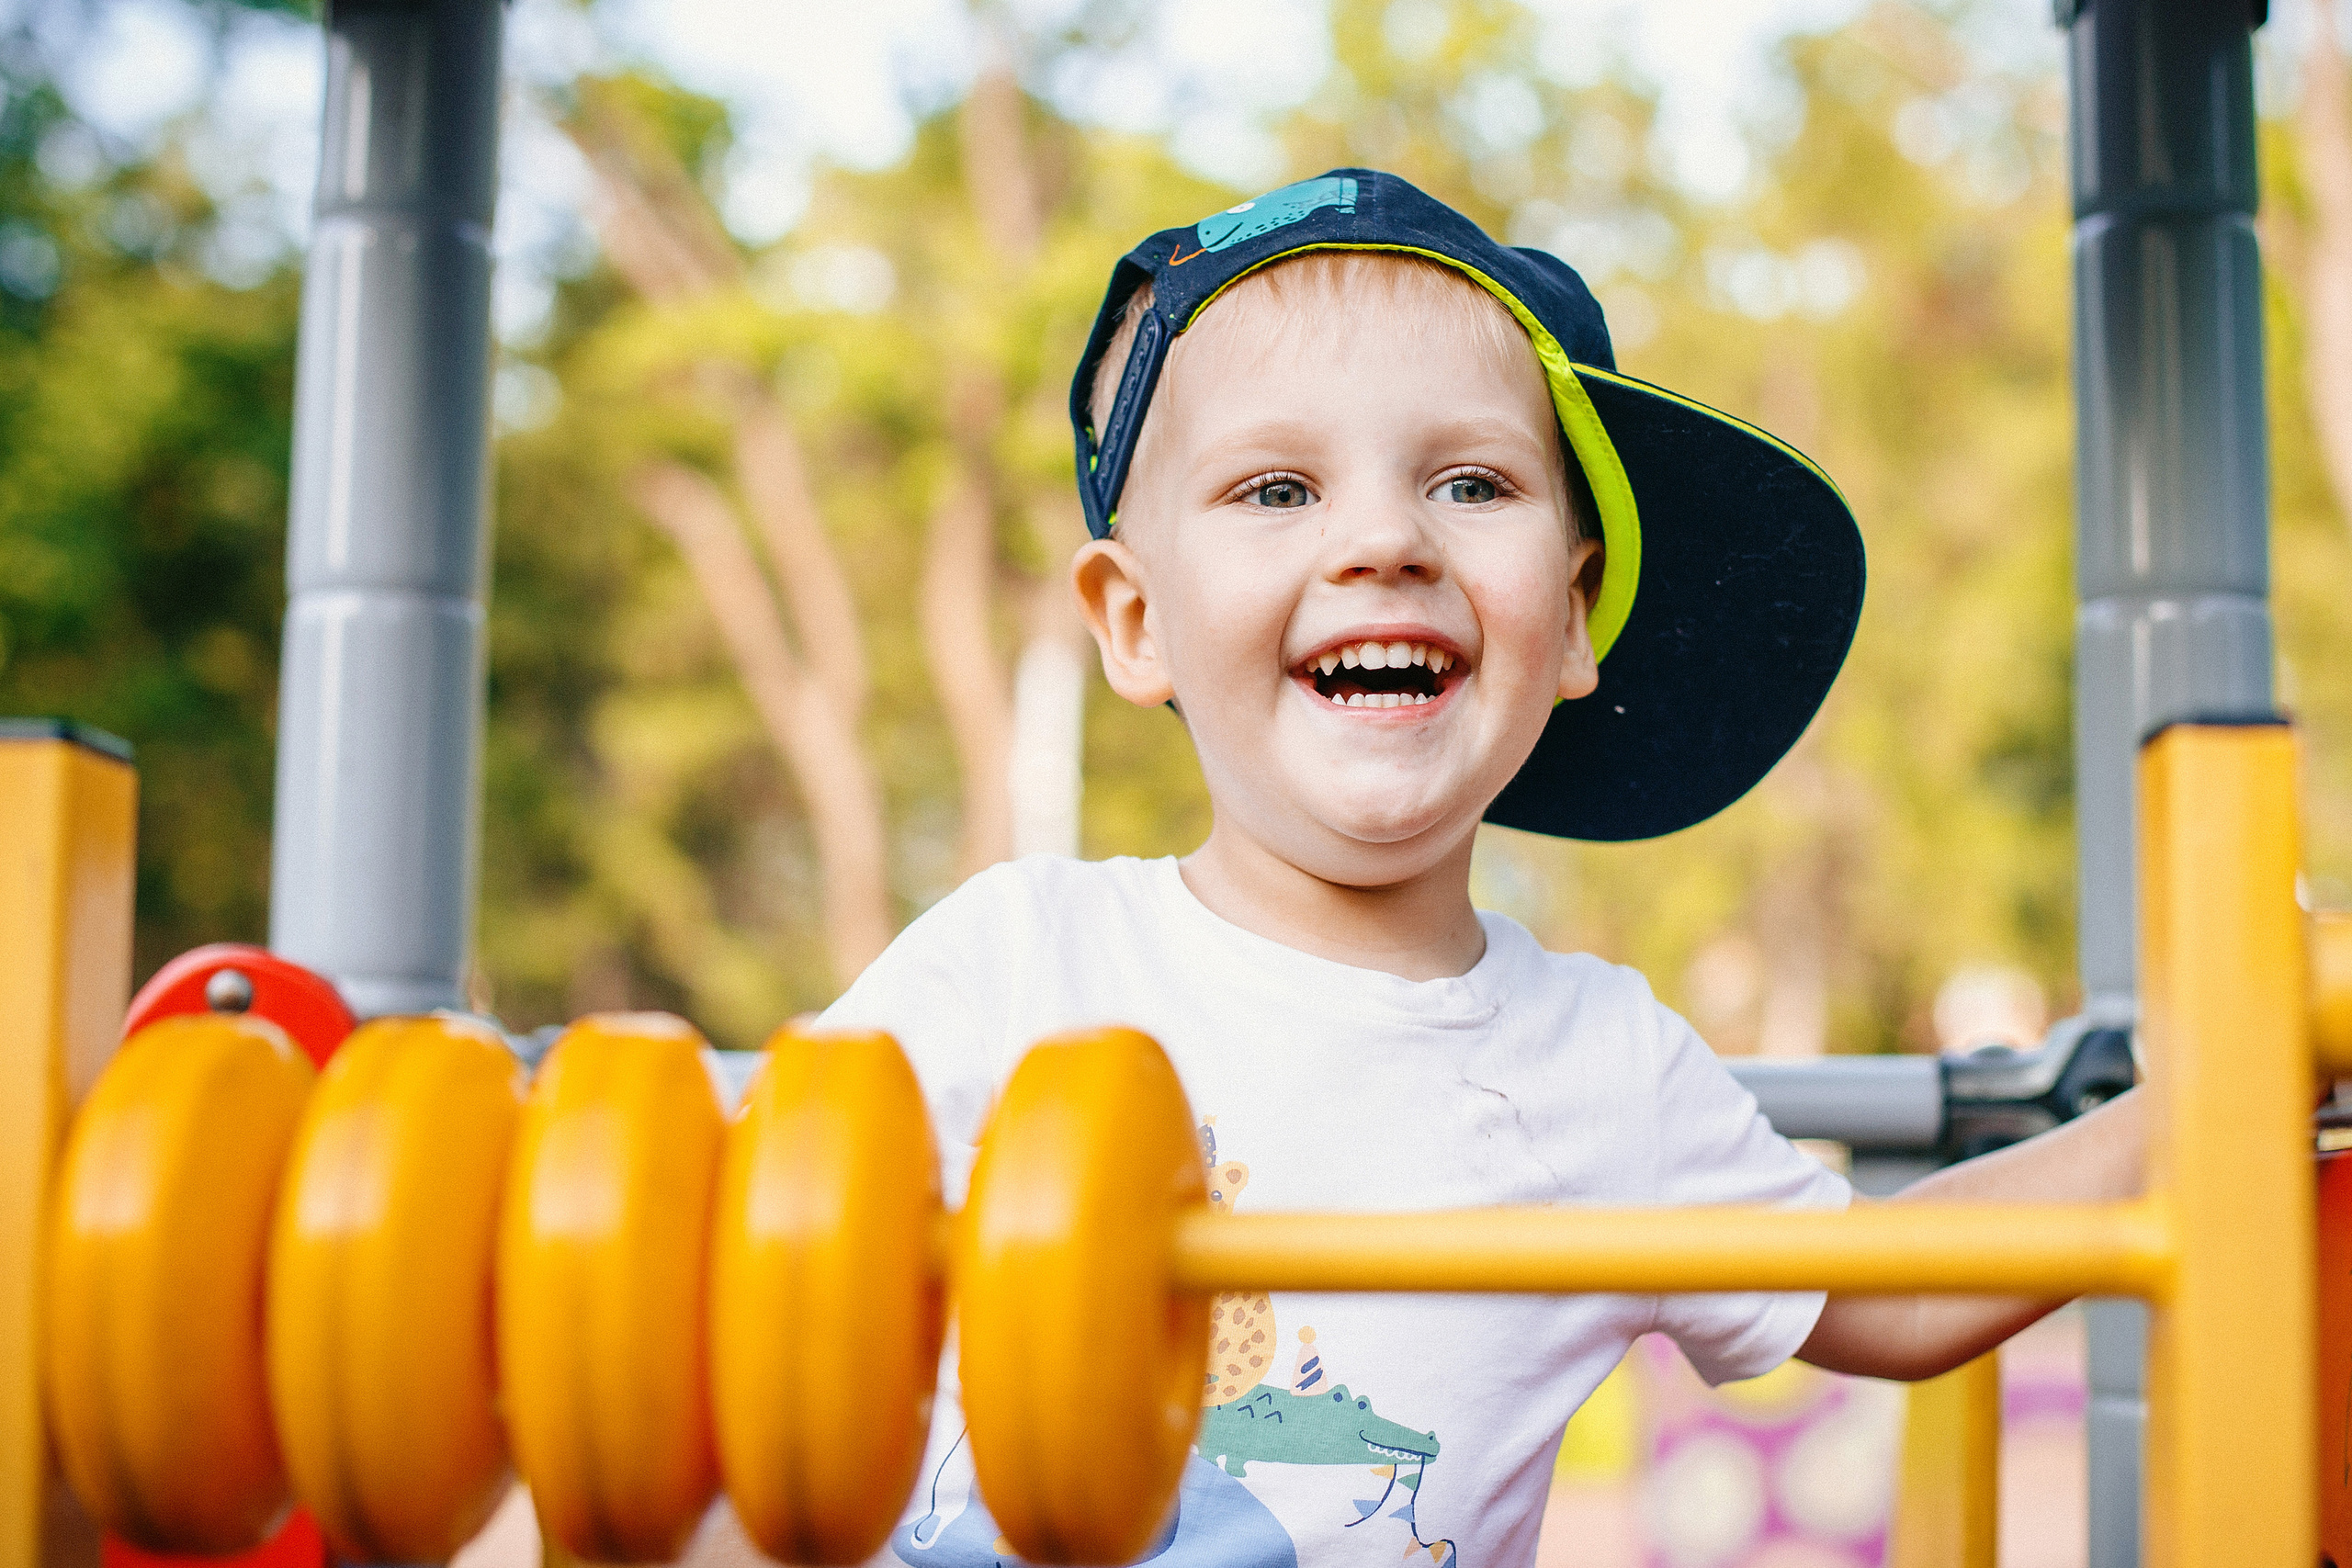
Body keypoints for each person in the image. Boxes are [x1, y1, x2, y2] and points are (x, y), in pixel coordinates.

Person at [819, 169, 2142, 1568]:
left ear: (1573, 617)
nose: (1385, 541)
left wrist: (2213, 1090)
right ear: (1135, 620)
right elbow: (741, 1276)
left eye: (1471, 482)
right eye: (1278, 487)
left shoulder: (1603, 1067)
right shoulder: (1014, 965)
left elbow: (1898, 1298)